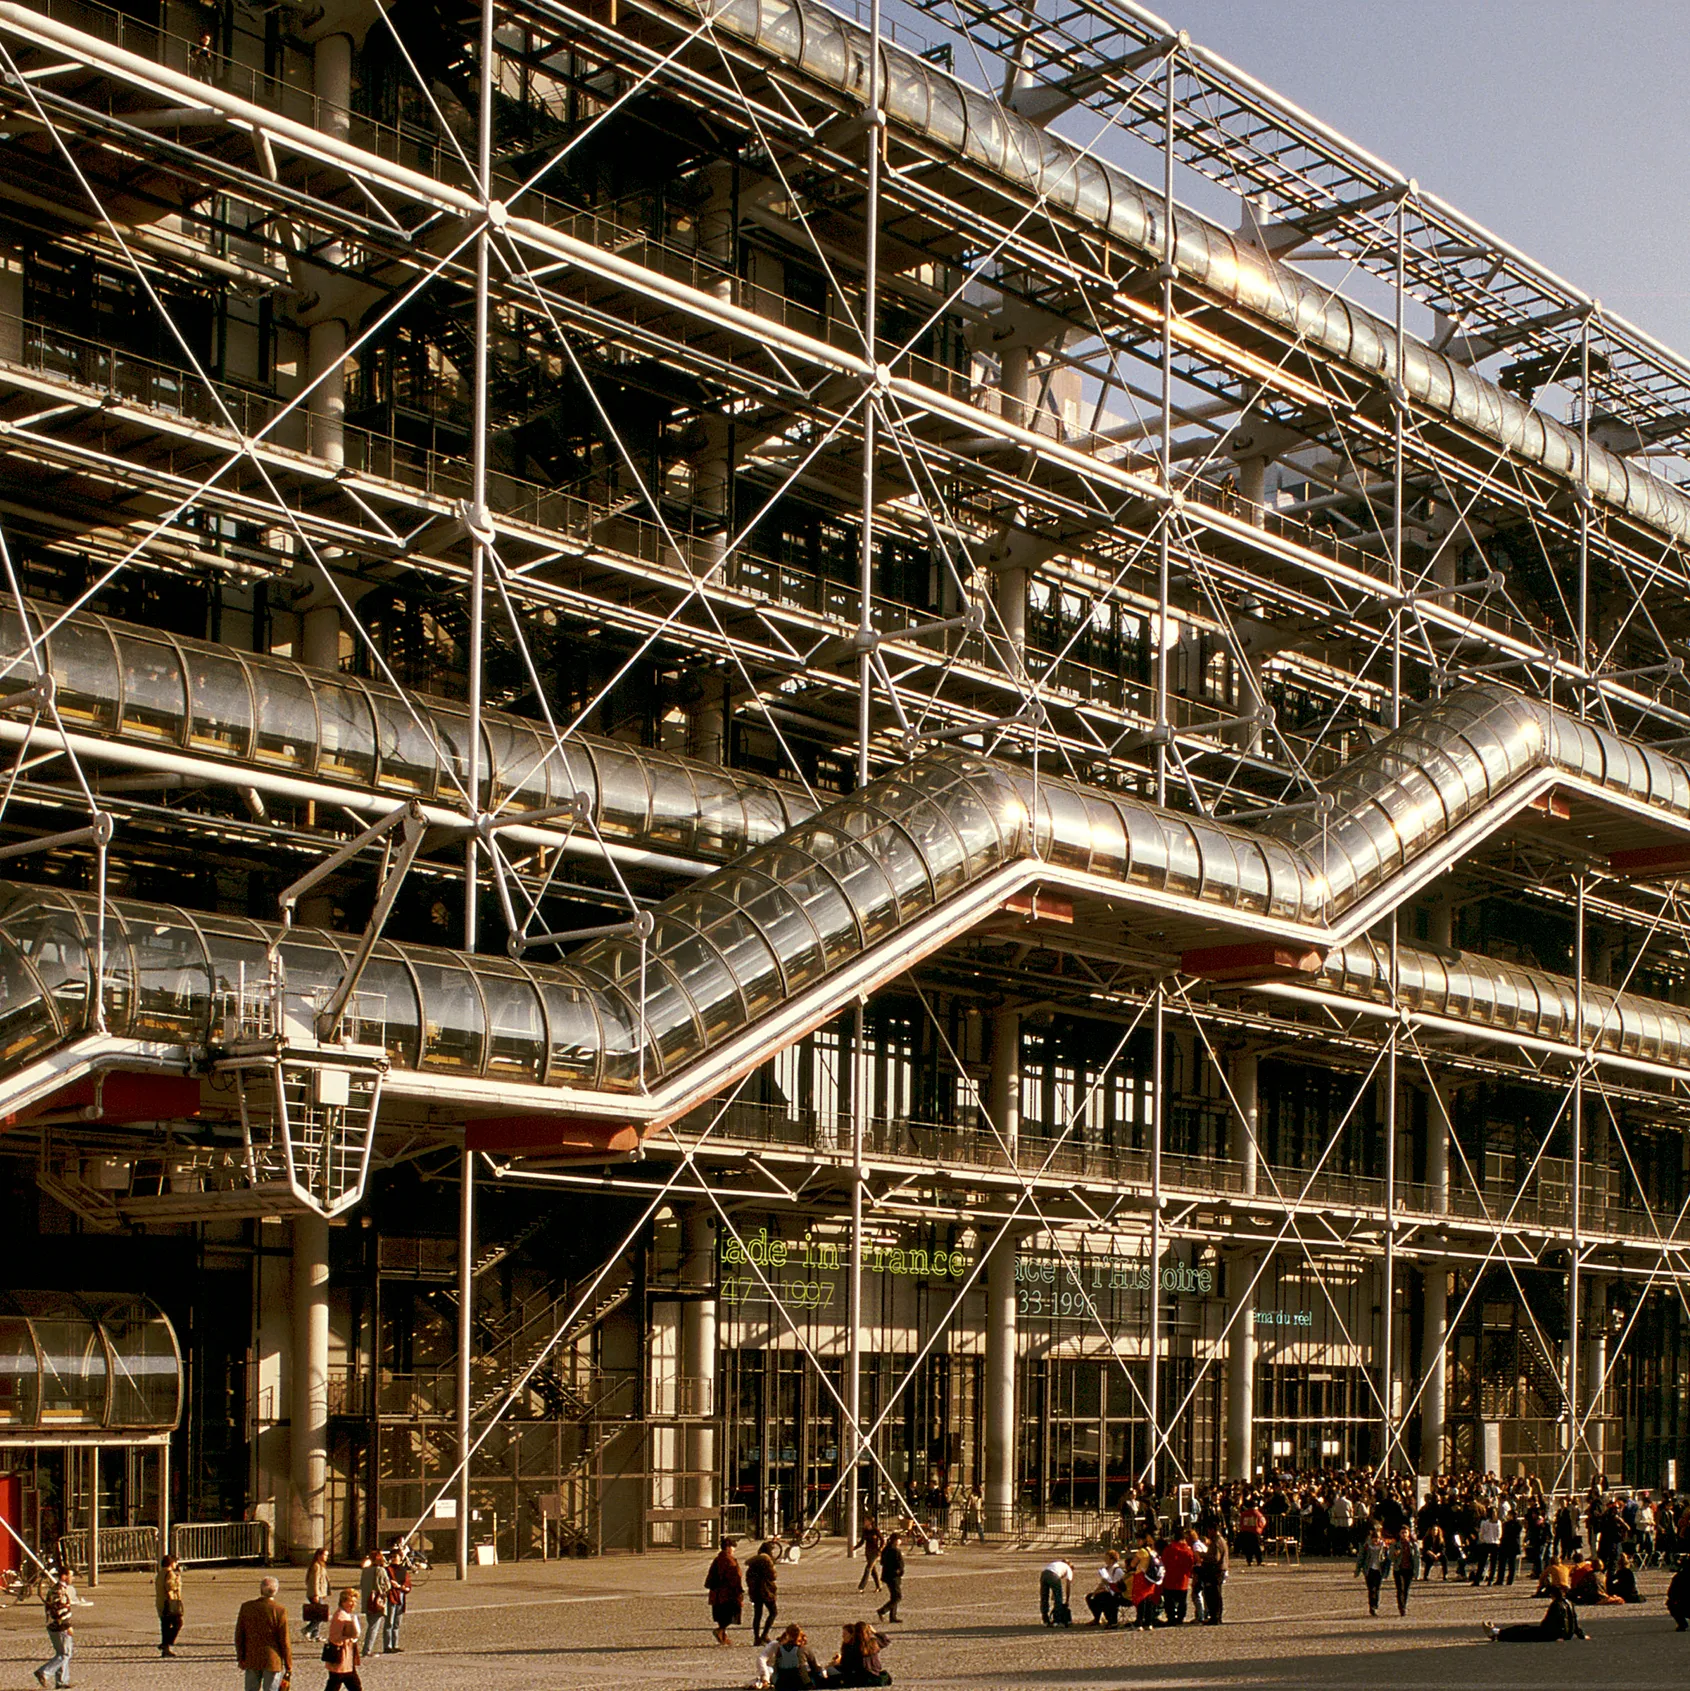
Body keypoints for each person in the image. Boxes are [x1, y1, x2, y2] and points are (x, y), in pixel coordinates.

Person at [233, 1574, 293, 1691]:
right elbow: (284, 1639)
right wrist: (288, 1663)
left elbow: (239, 1634)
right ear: (276, 1591)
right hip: (272, 1659)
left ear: (261, 1590)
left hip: (252, 1657)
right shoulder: (279, 1610)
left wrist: (240, 1657)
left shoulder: (247, 1607)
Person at [1485, 1588, 1587, 1642]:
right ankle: (1497, 1632)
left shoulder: (1556, 1605)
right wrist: (1581, 1634)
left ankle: (1497, 1632)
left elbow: (1549, 1621)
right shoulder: (1569, 1603)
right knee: (1524, 1630)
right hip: (1566, 1634)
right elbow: (1574, 1620)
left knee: (1522, 1631)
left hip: (1552, 1634)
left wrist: (1557, 1636)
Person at [34, 1565, 76, 1690]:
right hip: (60, 1626)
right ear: (64, 1576)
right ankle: (44, 1672)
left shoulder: (55, 1589)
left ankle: (62, 1681)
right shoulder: (60, 1590)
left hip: (53, 1625)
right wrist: (67, 1625)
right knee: (65, 1654)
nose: (72, 1578)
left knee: (61, 1653)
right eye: (70, 1576)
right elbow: (59, 1610)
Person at [756, 1622, 823, 1689]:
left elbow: (777, 1668)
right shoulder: (803, 1649)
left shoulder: (780, 1649)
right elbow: (814, 1667)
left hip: (782, 1683)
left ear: (787, 1634)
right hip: (800, 1682)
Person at [704, 1535, 743, 1645]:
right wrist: (738, 1592)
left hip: (718, 1593)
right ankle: (721, 1631)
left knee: (723, 1614)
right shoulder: (727, 1560)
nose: (734, 1549)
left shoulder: (719, 1558)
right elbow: (733, 1577)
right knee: (730, 1613)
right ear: (727, 1547)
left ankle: (723, 1634)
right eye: (733, 1547)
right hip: (726, 1593)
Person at [323, 1587, 363, 1691]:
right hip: (341, 1658)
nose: (353, 1604)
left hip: (346, 1659)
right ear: (343, 1601)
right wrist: (350, 1637)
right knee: (338, 1684)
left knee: (349, 1684)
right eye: (350, 1601)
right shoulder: (341, 1616)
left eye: (355, 1602)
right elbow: (334, 1637)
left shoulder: (344, 1614)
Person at [830, 1619, 891, 1687]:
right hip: (875, 1673)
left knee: (831, 1674)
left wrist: (837, 1663)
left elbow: (847, 1667)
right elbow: (886, 1640)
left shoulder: (853, 1647)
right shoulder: (873, 1643)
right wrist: (874, 1632)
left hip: (862, 1677)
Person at [746, 1541, 780, 1645]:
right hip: (766, 1591)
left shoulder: (753, 1562)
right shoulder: (767, 1561)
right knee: (773, 1612)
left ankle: (756, 1638)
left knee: (757, 1614)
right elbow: (773, 1576)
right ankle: (764, 1635)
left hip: (755, 1591)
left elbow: (748, 1577)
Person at [357, 1549, 390, 1657]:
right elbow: (387, 1585)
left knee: (371, 1624)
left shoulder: (365, 1571)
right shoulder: (380, 1570)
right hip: (376, 1601)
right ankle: (367, 1650)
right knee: (373, 1627)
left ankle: (367, 1649)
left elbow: (362, 1585)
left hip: (367, 1602)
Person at [1160, 1529, 1196, 1625]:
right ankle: (1180, 1618)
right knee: (1182, 1601)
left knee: (1169, 1601)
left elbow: (1163, 1562)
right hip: (1182, 1579)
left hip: (1170, 1579)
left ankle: (1171, 1618)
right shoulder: (1188, 1550)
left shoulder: (1169, 1549)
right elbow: (1191, 1564)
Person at [1128, 1535, 1162, 1629]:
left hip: (1141, 1577)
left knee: (1140, 1600)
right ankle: (1149, 1622)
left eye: (1139, 1540)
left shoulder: (1142, 1551)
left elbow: (1133, 1564)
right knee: (1149, 1600)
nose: (1137, 1542)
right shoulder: (1152, 1552)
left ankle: (1139, 1622)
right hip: (1151, 1578)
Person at [155, 1551, 185, 1658]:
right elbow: (170, 1587)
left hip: (161, 1603)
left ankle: (165, 1648)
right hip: (170, 1604)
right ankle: (166, 1643)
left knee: (165, 1626)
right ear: (171, 1563)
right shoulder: (170, 1574)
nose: (176, 1565)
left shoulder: (160, 1573)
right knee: (178, 1623)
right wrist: (177, 1581)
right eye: (175, 1562)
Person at [1356, 1523, 1390, 1616]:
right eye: (1374, 1538)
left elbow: (1388, 1560)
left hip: (1378, 1570)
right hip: (1369, 1570)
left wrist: (1386, 1572)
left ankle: (1375, 1604)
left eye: (1377, 1538)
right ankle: (1372, 1606)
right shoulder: (1367, 1546)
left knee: (1377, 1588)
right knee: (1371, 1589)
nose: (1376, 1540)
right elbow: (1361, 1558)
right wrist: (1358, 1570)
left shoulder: (1384, 1547)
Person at [382, 1547, 411, 1653]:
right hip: (392, 1597)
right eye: (392, 1557)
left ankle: (395, 1644)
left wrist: (400, 1586)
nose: (393, 1558)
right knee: (389, 1622)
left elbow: (407, 1584)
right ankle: (387, 1646)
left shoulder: (403, 1570)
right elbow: (388, 1583)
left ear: (400, 1557)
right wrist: (399, 1587)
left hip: (401, 1596)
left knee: (397, 1623)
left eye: (395, 1556)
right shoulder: (387, 1570)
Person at [1085, 1550, 1125, 1626]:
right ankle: (1097, 1618)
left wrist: (1104, 1588)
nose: (1105, 1560)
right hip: (1107, 1590)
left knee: (1103, 1598)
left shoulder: (1117, 1570)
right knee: (1090, 1597)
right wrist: (1095, 1592)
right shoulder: (1107, 1569)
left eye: (1107, 1558)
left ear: (1112, 1559)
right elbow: (1103, 1583)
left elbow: (1117, 1585)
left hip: (1115, 1593)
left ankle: (1110, 1619)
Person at [1198, 1526, 1228, 1625]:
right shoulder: (1220, 1540)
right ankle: (1216, 1616)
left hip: (1216, 1570)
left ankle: (1215, 1617)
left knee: (1213, 1594)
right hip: (1219, 1569)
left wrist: (1202, 1555)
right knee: (1215, 1594)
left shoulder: (1217, 1541)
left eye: (1209, 1530)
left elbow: (1215, 1558)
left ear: (1213, 1530)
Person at [875, 1533, 905, 1624]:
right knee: (897, 1597)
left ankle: (893, 1616)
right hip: (894, 1576)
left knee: (894, 1596)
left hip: (887, 1576)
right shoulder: (896, 1551)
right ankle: (883, 1610)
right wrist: (899, 1572)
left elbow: (882, 1562)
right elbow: (900, 1565)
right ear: (896, 1540)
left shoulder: (886, 1549)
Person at [303, 1548, 331, 1643]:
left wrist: (323, 1593)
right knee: (321, 1615)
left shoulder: (321, 1565)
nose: (326, 1557)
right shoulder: (316, 1566)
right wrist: (316, 1594)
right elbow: (314, 1581)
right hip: (315, 1594)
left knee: (317, 1614)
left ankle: (315, 1635)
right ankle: (307, 1629)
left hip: (319, 1593)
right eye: (325, 1555)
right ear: (319, 1555)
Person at [1391, 1527, 1419, 1616]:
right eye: (1402, 1532)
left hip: (1409, 1569)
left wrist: (1417, 1572)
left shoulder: (1413, 1545)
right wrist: (1395, 1554)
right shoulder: (1395, 1544)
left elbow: (1417, 1559)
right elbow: (1390, 1558)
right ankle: (1401, 1607)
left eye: (1405, 1532)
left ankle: (1404, 1605)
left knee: (1406, 1589)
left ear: (1409, 1533)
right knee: (1400, 1589)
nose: (1404, 1534)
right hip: (1398, 1569)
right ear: (1399, 1534)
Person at [1039, 1557, 1073, 1625]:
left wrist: (1053, 1595)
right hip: (1054, 1575)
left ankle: (1045, 1619)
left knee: (1044, 1596)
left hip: (1044, 1574)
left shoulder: (1057, 1564)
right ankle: (1057, 1620)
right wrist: (1067, 1600)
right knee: (1058, 1598)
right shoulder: (1068, 1568)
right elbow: (1068, 1586)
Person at [856, 1517, 884, 1592]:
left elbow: (883, 1540)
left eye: (866, 1521)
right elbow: (862, 1541)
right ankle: (879, 1586)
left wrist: (880, 1549)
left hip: (875, 1552)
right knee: (873, 1570)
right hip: (868, 1552)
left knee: (868, 1568)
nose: (864, 1522)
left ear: (870, 1522)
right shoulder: (865, 1531)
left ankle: (861, 1587)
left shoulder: (875, 1530)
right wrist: (854, 1548)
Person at [1236, 1499, 1265, 1567]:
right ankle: (1259, 1561)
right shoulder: (1257, 1513)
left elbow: (1240, 1522)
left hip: (1245, 1531)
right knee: (1257, 1548)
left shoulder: (1244, 1513)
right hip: (1255, 1531)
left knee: (1248, 1548)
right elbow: (1263, 1522)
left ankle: (1249, 1561)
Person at [1666, 1558, 1690, 1630]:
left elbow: (1670, 1593)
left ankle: (1682, 1623)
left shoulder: (1678, 1577)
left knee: (1670, 1603)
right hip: (1685, 1604)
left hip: (1683, 1605)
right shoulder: (1678, 1577)